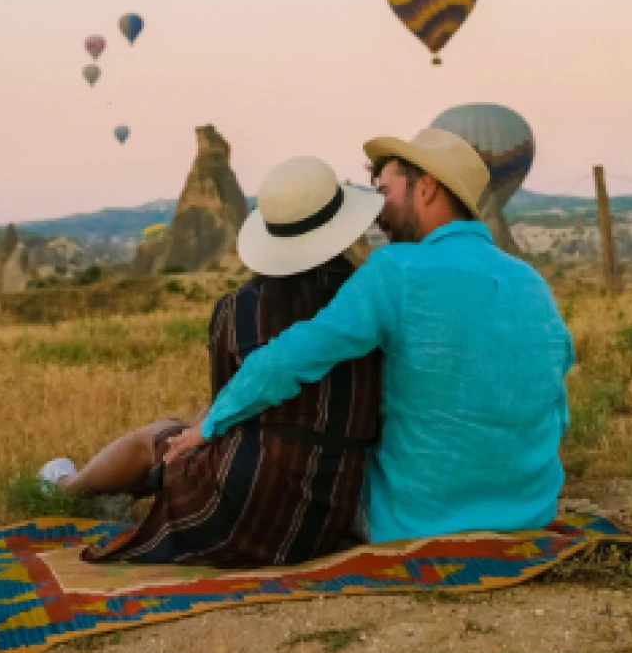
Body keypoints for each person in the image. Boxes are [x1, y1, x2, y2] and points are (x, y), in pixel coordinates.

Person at [164, 128, 575, 543]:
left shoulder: (396, 268)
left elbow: (295, 355)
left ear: (428, 188)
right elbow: (557, 407)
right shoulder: (532, 282)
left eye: (385, 191)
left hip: (416, 520)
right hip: (530, 512)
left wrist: (211, 423)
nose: (379, 209)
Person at [39, 155, 386, 567]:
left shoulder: (239, 309)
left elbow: (226, 403)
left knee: (164, 436)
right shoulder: (371, 305)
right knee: (185, 438)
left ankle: (66, 487)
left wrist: (191, 434)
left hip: (238, 512)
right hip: (324, 516)